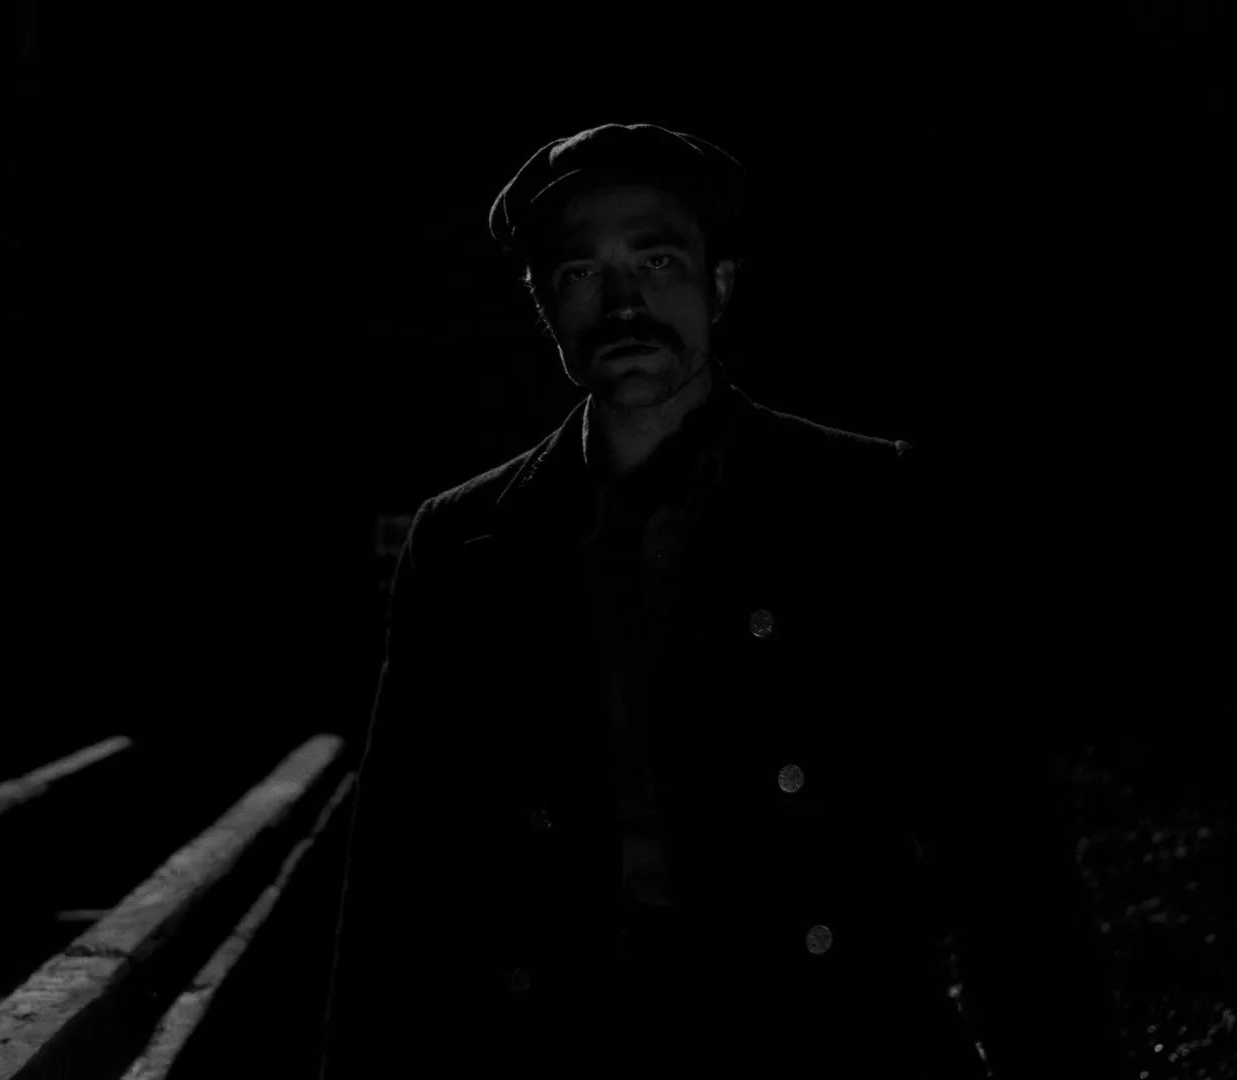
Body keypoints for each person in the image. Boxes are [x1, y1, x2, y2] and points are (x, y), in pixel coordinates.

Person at [320, 122, 1129, 1079]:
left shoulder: (867, 505)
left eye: (657, 260)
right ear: (544, 305)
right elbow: (398, 875)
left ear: (721, 284)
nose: (624, 303)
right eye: (580, 273)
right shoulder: (462, 543)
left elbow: (998, 842)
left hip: (832, 1039)